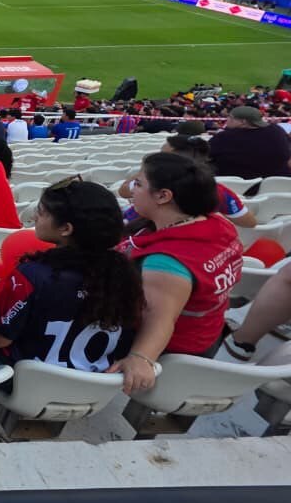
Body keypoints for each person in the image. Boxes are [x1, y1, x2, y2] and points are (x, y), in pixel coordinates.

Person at [111, 152, 244, 393]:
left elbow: (158, 316)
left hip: (175, 348)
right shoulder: (217, 222)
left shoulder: (166, 262)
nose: (132, 190)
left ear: (163, 196)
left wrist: (141, 357)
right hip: (208, 331)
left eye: (139, 184)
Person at [0, 179, 143, 371]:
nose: (35, 216)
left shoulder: (32, 275)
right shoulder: (126, 273)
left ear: (66, 228)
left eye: (42, 212)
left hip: (28, 381)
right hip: (96, 384)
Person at [119, 134, 257, 229]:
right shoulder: (217, 191)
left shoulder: (151, 190)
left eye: (162, 154)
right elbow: (249, 222)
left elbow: (123, 191)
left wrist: (145, 169)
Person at [208, 105, 291, 180]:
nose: (227, 120)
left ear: (243, 122)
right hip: (279, 184)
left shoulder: (224, 137)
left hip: (238, 187)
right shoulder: (277, 131)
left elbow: (205, 155)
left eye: (230, 117)